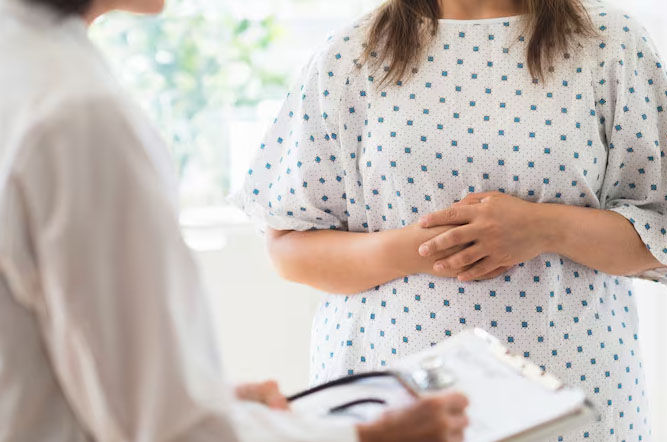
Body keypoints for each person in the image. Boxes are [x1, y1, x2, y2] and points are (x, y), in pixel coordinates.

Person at [233, 0, 667, 440]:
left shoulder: (609, 41)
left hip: (574, 404)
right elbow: (288, 246)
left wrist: (544, 227)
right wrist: (416, 251)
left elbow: (666, 238)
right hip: (395, 412)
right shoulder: (353, 53)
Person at [0, 0, 470, 440]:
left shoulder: (28, 72)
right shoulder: (80, 117)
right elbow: (171, 429)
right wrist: (360, 436)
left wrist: (213, 403)